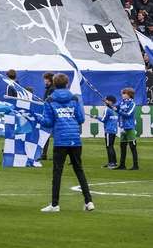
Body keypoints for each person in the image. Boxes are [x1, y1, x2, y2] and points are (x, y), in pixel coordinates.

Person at [39, 73, 94, 212]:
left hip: (60, 140)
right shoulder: (74, 98)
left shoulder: (50, 100)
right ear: (67, 84)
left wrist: (38, 117)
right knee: (79, 170)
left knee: (57, 172)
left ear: (54, 83)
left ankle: (55, 204)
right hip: (75, 139)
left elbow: (48, 122)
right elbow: (81, 119)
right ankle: (89, 201)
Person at [116, 87, 138, 170]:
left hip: (130, 127)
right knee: (122, 146)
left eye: (124, 93)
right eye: (123, 93)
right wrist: (108, 104)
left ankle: (135, 165)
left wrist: (118, 111)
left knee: (132, 147)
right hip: (123, 127)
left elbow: (128, 114)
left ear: (129, 95)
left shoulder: (132, 104)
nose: (123, 95)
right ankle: (122, 165)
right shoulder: (122, 103)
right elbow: (115, 107)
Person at [100, 95, 118, 169]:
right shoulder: (115, 109)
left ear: (110, 101)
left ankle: (111, 163)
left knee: (109, 146)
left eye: (106, 100)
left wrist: (96, 117)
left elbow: (103, 120)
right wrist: (106, 102)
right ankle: (114, 162)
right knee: (111, 146)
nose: (105, 101)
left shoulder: (107, 109)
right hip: (113, 130)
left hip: (108, 130)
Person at [39, 72, 54, 161]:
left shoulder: (52, 89)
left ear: (49, 79)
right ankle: (44, 154)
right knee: (46, 135)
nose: (44, 81)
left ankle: (44, 154)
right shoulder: (49, 89)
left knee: (47, 134)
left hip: (50, 115)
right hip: (48, 114)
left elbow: (49, 101)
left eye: (45, 79)